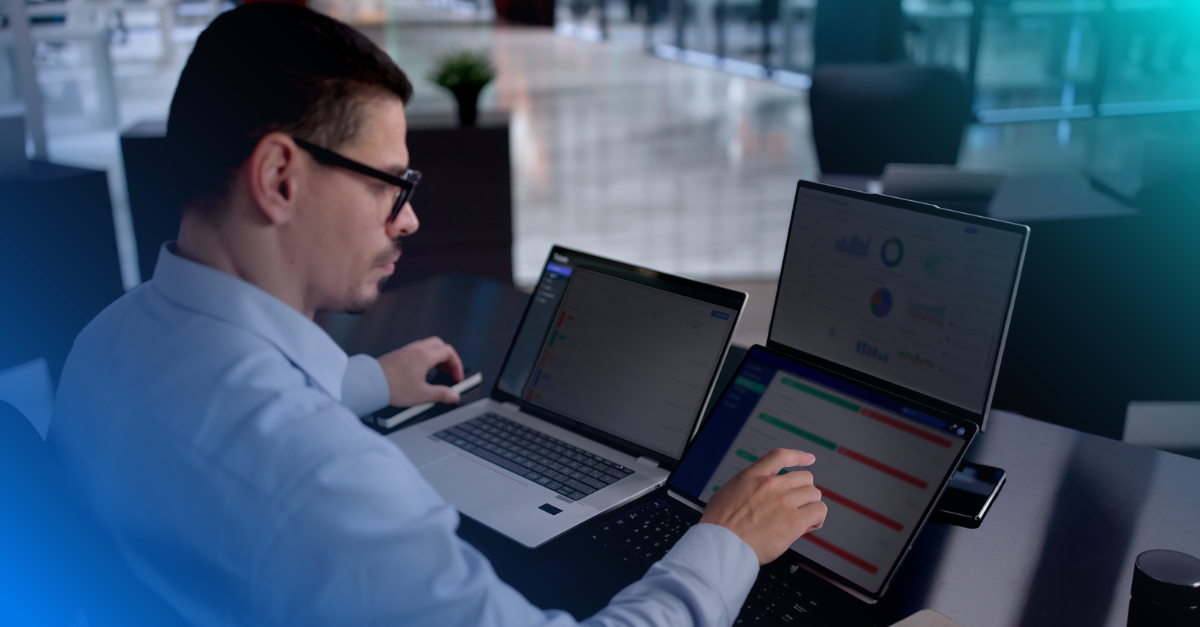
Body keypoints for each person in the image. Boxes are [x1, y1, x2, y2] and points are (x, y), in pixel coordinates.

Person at [48, 4, 827, 626]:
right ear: (281, 177)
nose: (408, 219)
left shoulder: (103, 344)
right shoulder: (327, 481)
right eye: (389, 183)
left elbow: (230, 405)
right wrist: (723, 543)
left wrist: (366, 380)